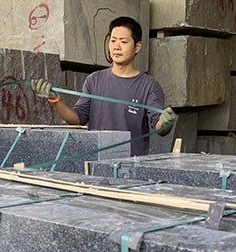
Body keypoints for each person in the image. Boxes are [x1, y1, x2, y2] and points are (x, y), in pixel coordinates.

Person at [31, 16, 176, 157]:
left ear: (137, 47)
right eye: (113, 41)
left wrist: (165, 123)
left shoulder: (149, 86)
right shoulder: (94, 80)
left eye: (123, 42)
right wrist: (55, 101)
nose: (116, 47)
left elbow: (159, 127)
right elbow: (77, 118)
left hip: (131, 166)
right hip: (96, 163)